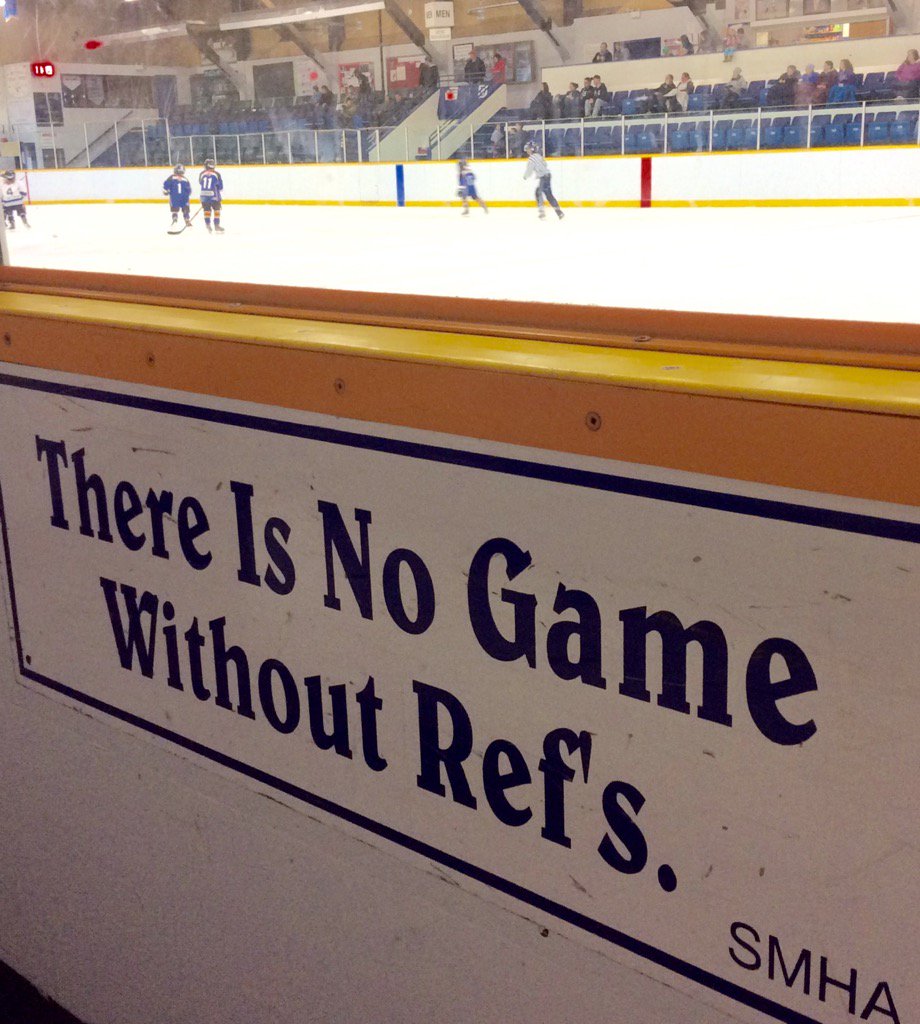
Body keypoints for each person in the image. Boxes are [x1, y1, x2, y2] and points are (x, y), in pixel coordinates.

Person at [523, 141, 563, 220]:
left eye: (528, 149)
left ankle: (542, 213)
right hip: (547, 176)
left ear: (532, 149)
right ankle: (559, 212)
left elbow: (529, 170)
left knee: (538, 193)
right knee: (549, 195)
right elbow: (545, 164)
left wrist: (525, 176)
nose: (527, 151)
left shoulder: (532, 158)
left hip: (543, 177)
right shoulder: (539, 156)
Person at [198, 158, 224, 234]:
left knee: (207, 211)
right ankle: (216, 225)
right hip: (214, 196)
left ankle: (208, 224)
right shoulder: (217, 174)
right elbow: (221, 187)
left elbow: (200, 182)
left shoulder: (201, 173)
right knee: (217, 210)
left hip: (203, 196)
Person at [163, 164, 192, 229]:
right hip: (184, 198)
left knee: (175, 210)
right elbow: (189, 190)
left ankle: (174, 220)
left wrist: (166, 191)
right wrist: (187, 194)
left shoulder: (171, 178)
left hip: (174, 197)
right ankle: (187, 219)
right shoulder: (185, 179)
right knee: (185, 209)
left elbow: (166, 186)